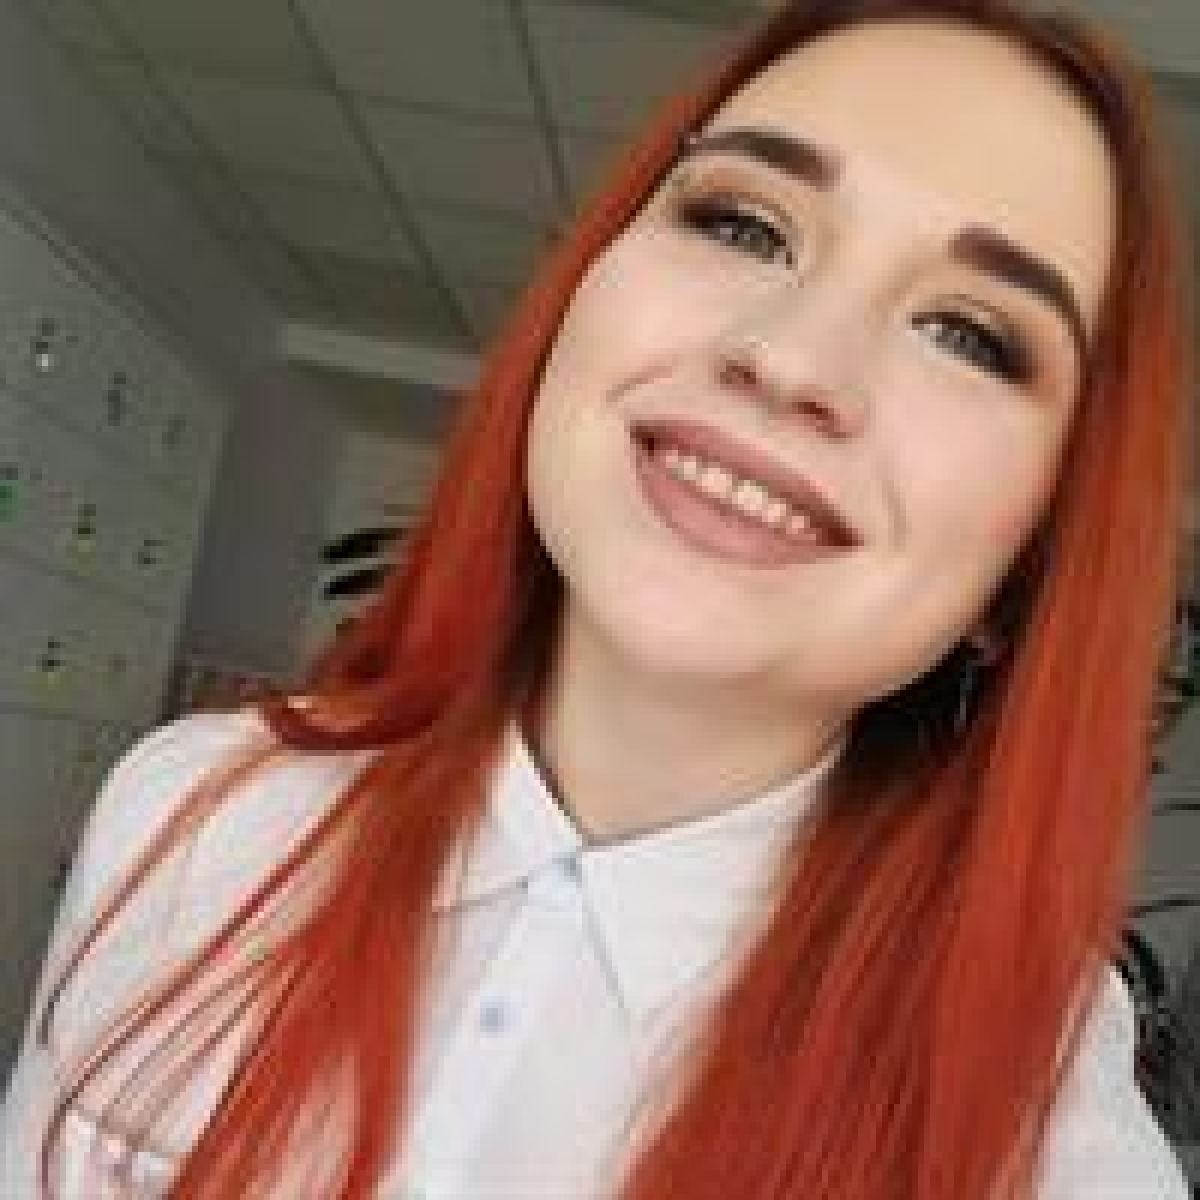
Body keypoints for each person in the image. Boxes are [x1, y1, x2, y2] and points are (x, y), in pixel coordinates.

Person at [1, 0, 1194, 1195]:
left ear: (1032, 560)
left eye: (971, 335)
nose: (790, 359)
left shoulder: (1038, 1119)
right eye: (741, 223)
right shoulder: (196, 810)